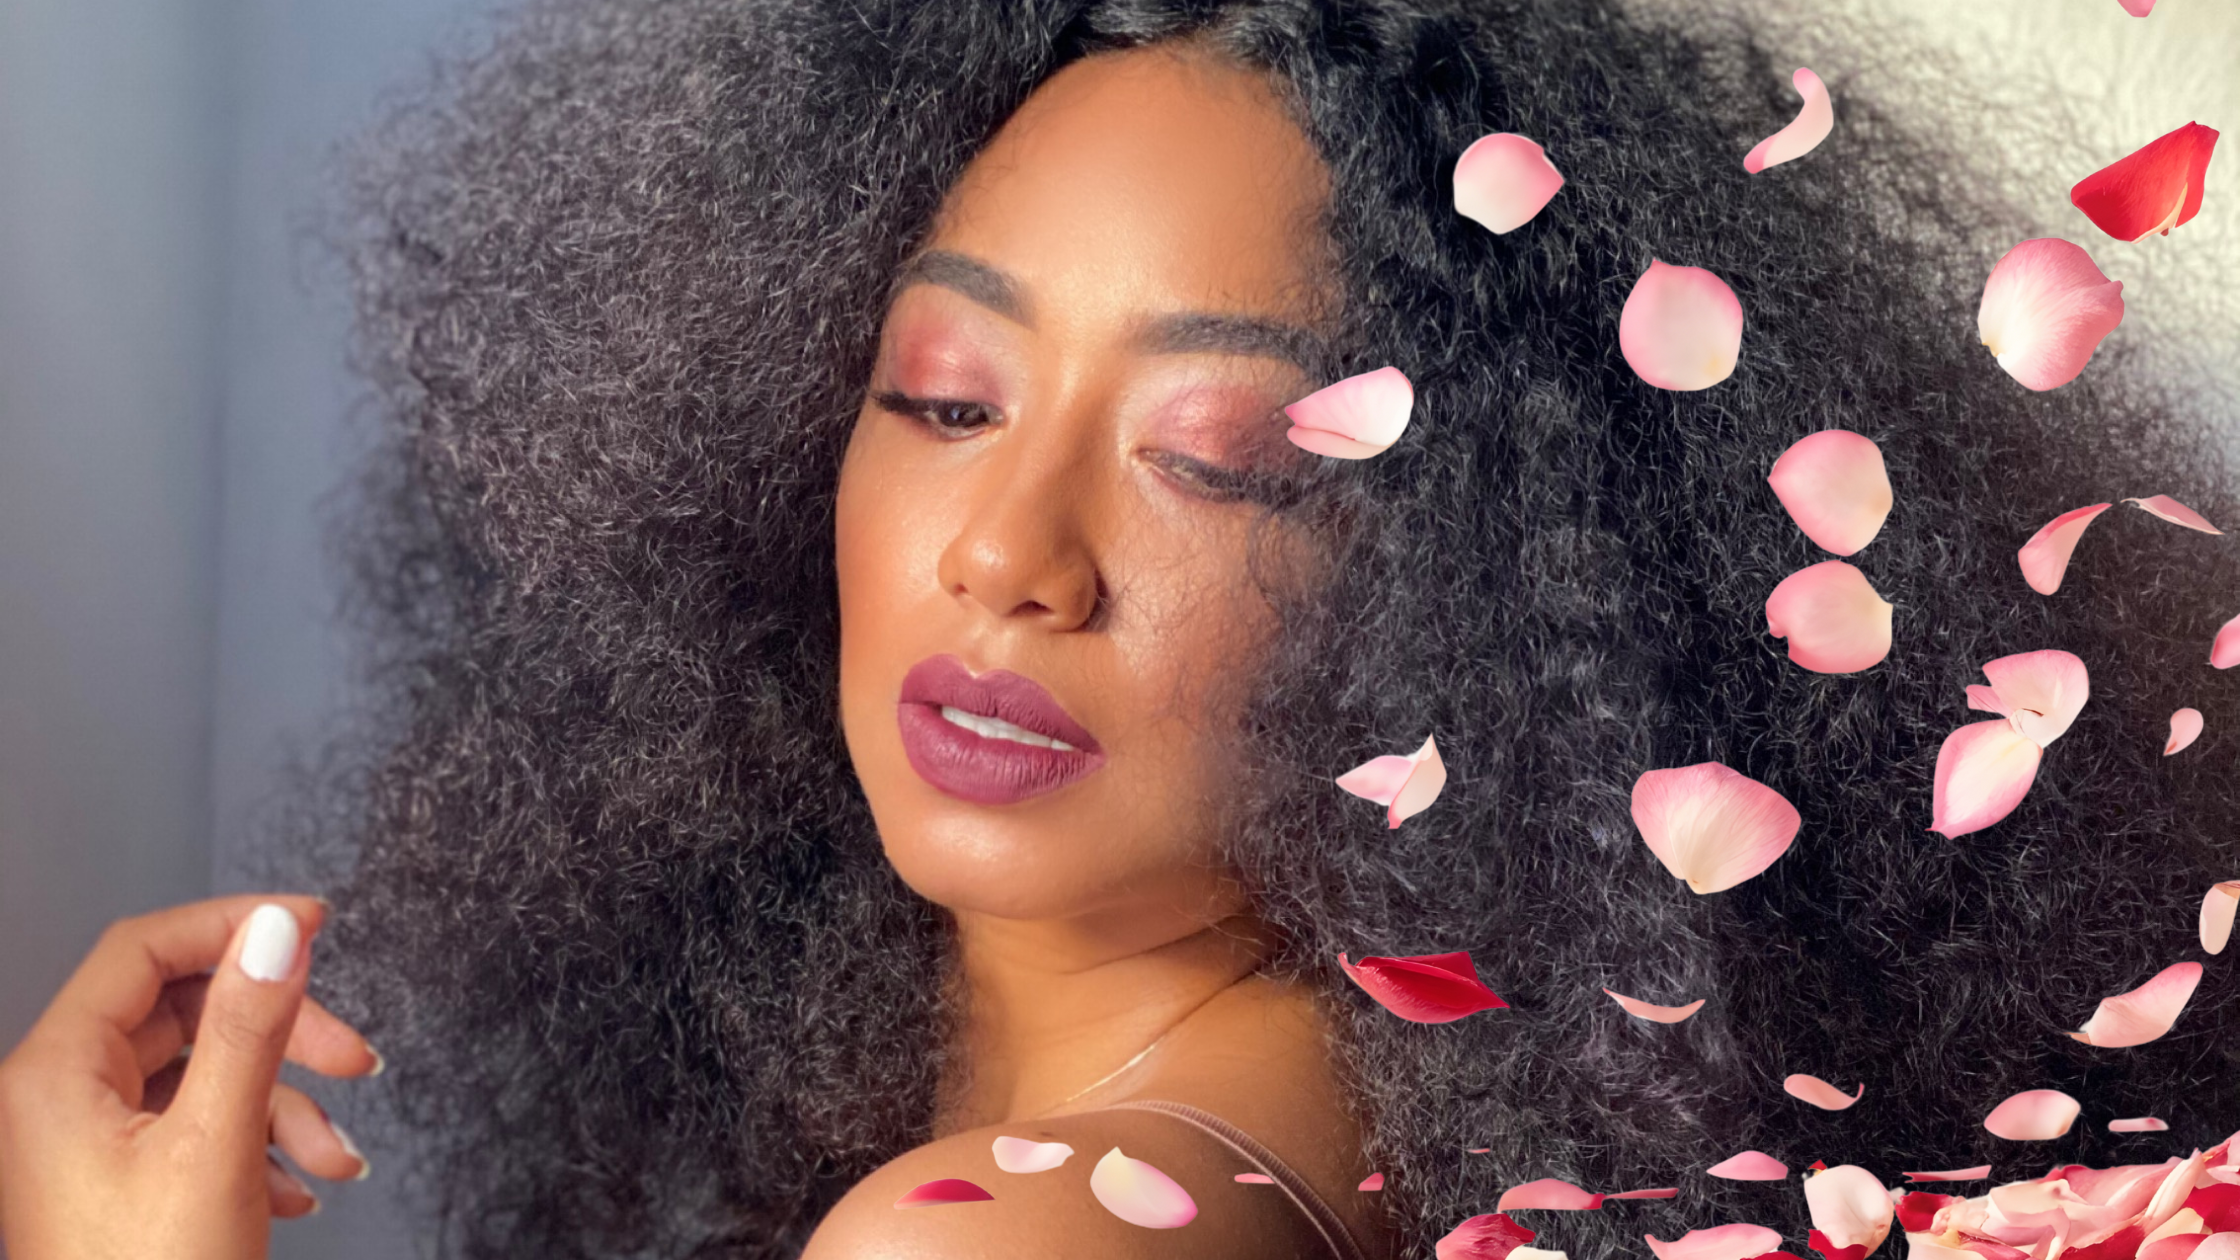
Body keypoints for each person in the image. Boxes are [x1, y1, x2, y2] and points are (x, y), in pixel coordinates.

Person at [3, 1, 2235, 1257]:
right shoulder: (1352, 1140)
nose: (1010, 554)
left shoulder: (990, 1238)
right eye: (944, 398)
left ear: (1480, 590)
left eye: (1228, 460)